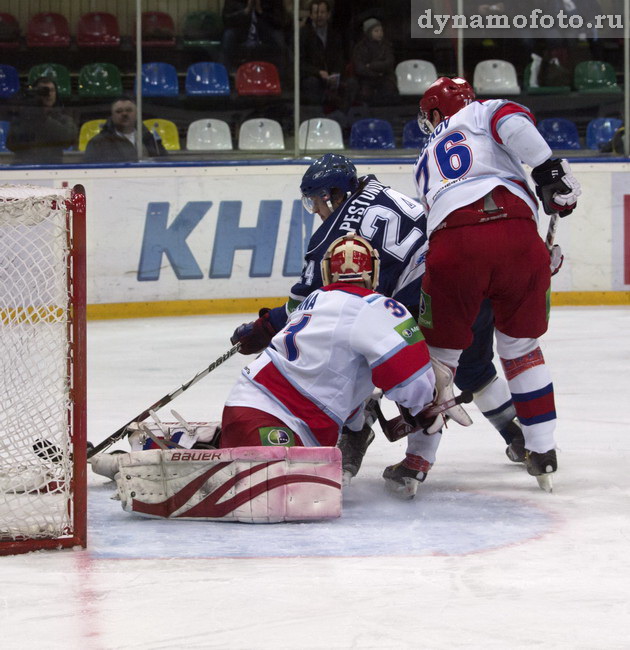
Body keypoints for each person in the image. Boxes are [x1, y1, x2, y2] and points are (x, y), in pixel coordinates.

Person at [230, 153, 526, 499]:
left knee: (393, 372)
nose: (315, 211)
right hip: (472, 279)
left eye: (316, 201)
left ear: (333, 195)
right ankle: (518, 437)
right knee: (472, 368)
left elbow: (306, 305)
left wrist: (263, 327)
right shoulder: (382, 190)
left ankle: (375, 443)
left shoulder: (330, 238)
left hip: (426, 300)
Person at [413, 76, 581, 491]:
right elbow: (513, 123)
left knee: (440, 359)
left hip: (453, 243)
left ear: (435, 112)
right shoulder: (483, 109)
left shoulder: (424, 158)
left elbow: (434, 222)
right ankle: (541, 450)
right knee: (522, 350)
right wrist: (547, 169)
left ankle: (416, 462)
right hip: (518, 236)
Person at [222, 233, 438, 449]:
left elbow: (331, 378)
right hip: (282, 422)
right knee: (278, 482)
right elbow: (412, 379)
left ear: (326, 272)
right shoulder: (378, 307)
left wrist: (356, 423)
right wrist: (425, 407)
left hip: (242, 402)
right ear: (374, 273)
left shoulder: (313, 300)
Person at [6, 77, 77, 165]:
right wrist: (28, 118)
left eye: (52, 90)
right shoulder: (23, 118)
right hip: (24, 167)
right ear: (36, 94)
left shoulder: (64, 119)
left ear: (56, 94)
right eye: (43, 91)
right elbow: (11, 145)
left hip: (52, 168)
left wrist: (45, 119)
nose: (49, 94)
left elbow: (68, 141)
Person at [83, 98, 167, 163]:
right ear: (112, 116)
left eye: (129, 110)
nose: (124, 114)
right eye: (119, 111)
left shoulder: (150, 139)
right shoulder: (97, 143)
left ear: (137, 114)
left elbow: (165, 163)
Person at [299, 0, 346, 108]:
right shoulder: (303, 34)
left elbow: (340, 58)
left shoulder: (335, 34)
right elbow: (299, 63)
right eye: (316, 12)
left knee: (351, 83)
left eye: (322, 12)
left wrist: (335, 74)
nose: (319, 15)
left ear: (328, 14)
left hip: (332, 77)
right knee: (311, 83)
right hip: (312, 76)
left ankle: (343, 119)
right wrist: (318, 72)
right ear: (310, 15)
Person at [221, 0, 289, 74]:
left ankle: (280, 74)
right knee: (228, 36)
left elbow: (280, 20)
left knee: (278, 39)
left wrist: (261, 12)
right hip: (240, 30)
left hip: (266, 29)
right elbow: (226, 19)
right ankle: (227, 73)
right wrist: (245, 11)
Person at [351, 17, 398, 106]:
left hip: (385, 76)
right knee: (364, 92)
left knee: (389, 89)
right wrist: (375, 74)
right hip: (367, 78)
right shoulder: (360, 48)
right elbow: (360, 67)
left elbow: (389, 62)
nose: (380, 33)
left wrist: (372, 66)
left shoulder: (386, 45)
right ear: (369, 33)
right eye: (376, 31)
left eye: (381, 31)